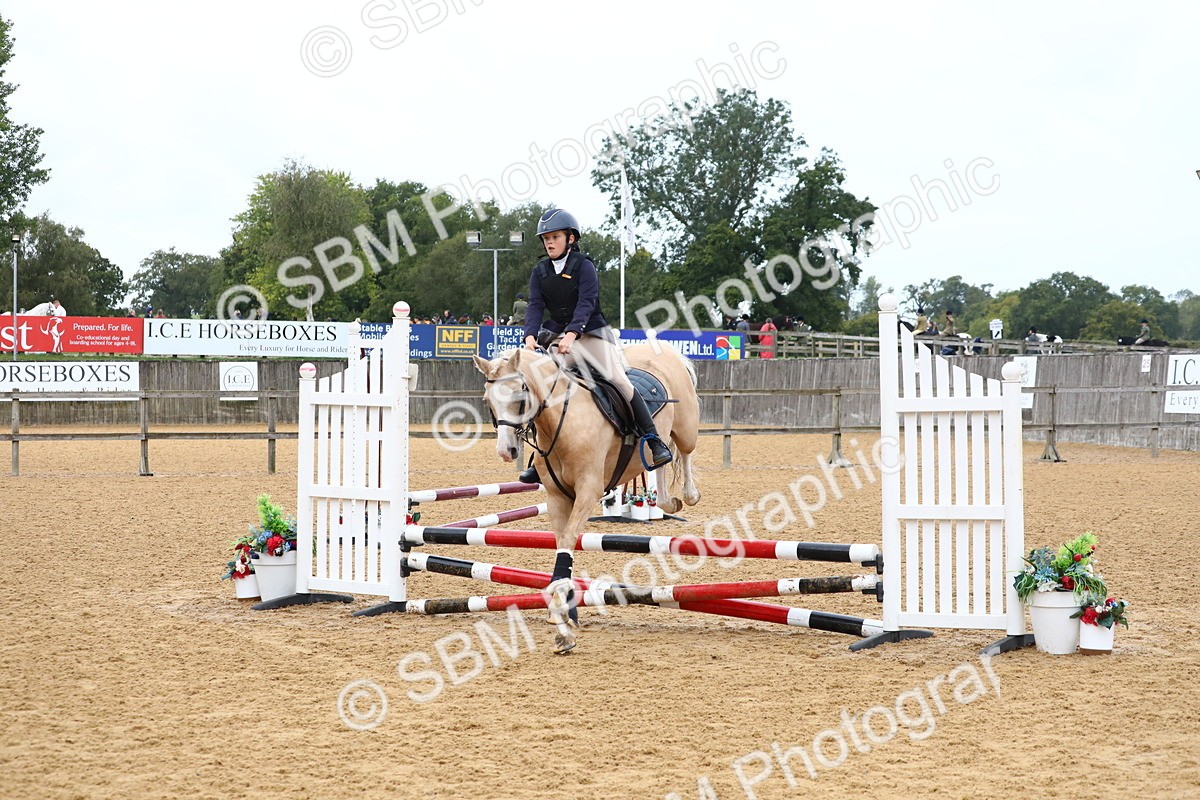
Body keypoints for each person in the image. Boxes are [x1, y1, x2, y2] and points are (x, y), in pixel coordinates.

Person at [517, 208, 672, 484]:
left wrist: (572, 333)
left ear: (571, 238)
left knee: (619, 381)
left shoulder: (584, 265)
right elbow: (535, 306)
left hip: (591, 335)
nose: (549, 243)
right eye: (545, 239)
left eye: (554, 237)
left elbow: (586, 303)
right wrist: (530, 336)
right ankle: (537, 458)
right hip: (558, 337)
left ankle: (655, 440)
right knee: (543, 385)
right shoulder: (539, 271)